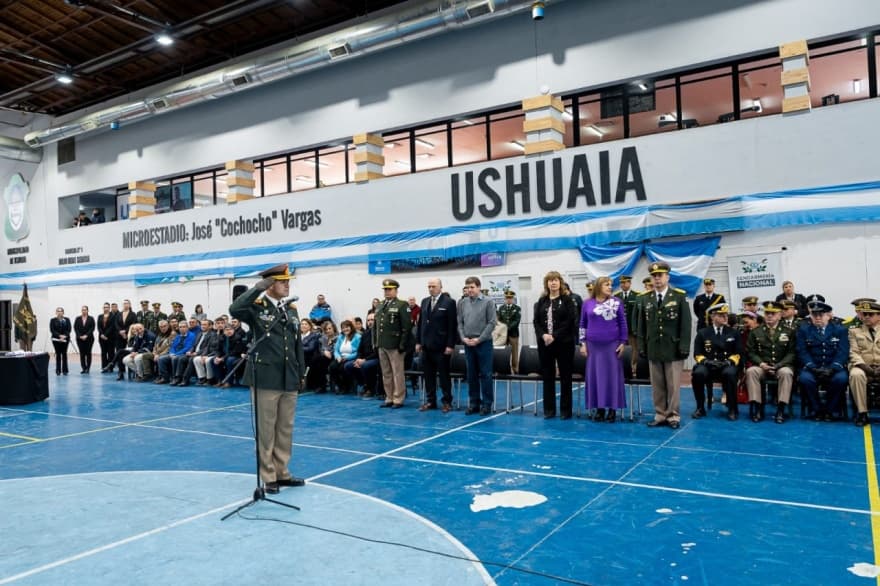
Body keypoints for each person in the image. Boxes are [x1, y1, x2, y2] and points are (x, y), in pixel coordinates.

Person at [230, 263, 306, 494]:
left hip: (288, 376)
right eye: (282, 281)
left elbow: (296, 345)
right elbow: (235, 309)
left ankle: (282, 472)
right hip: (265, 377)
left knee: (285, 428)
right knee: (266, 429)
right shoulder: (255, 307)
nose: (287, 284)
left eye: (287, 281)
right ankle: (268, 475)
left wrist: (301, 373)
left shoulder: (290, 309)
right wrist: (257, 288)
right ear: (270, 284)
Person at [636, 261, 692, 429]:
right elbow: (641, 326)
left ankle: (673, 415)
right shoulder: (645, 298)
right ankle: (660, 414)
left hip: (673, 348)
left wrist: (684, 346)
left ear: (667, 277)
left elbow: (685, 324)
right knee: (657, 385)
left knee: (673, 385)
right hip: (653, 347)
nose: (657, 279)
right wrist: (641, 346)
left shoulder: (678, 296)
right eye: (654, 276)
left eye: (660, 275)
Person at [580, 276, 628, 423]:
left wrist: (623, 341)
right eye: (607, 285)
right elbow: (583, 323)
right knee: (596, 378)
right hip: (593, 347)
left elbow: (622, 323)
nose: (610, 287)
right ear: (598, 286)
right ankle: (599, 409)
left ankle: (612, 410)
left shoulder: (617, 302)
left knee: (612, 378)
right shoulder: (587, 303)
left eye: (611, 285)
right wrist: (582, 343)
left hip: (612, 346)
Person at [533, 271, 578, 419]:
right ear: (546, 284)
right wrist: (544, 335)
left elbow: (570, 322)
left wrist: (554, 336)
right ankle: (549, 410)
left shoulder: (567, 300)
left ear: (561, 283)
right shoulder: (541, 301)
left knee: (565, 377)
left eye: (556, 280)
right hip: (545, 344)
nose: (553, 283)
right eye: (550, 280)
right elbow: (536, 322)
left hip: (564, 343)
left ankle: (565, 411)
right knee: (548, 376)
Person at [797, 300, 849, 421]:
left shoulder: (840, 330)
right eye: (814, 315)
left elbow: (843, 352)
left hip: (833, 367)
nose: (818, 317)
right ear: (811, 316)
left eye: (821, 314)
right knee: (806, 379)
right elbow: (802, 351)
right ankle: (817, 409)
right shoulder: (804, 330)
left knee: (841, 379)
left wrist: (833, 368)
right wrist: (812, 367)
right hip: (813, 367)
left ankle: (830, 410)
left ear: (828, 315)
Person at [744, 301, 796, 424]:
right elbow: (750, 352)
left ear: (780, 315)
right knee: (751, 371)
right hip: (762, 366)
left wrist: (779, 365)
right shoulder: (756, 332)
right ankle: (757, 407)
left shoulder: (789, 331)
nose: (770, 316)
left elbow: (792, 353)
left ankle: (781, 408)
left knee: (786, 373)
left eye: (773, 313)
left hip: (781, 365)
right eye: (767, 313)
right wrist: (761, 364)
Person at [690, 304, 741, 420]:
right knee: (698, 373)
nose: (725, 317)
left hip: (726, 364)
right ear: (713, 317)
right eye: (721, 315)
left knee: (730, 374)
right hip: (709, 365)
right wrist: (707, 362)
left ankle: (732, 408)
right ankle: (700, 408)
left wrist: (728, 362)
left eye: (726, 315)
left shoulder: (733, 332)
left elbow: (738, 353)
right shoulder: (703, 333)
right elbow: (697, 354)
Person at [415, 277, 458, 412]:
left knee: (444, 376)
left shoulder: (449, 302)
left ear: (440, 287)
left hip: (442, 347)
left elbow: (452, 325)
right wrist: (418, 341)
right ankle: (430, 401)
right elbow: (420, 323)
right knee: (428, 376)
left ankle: (447, 402)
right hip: (426, 346)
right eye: (429, 286)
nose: (431, 289)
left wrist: (450, 345)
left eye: (433, 286)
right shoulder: (425, 301)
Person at [374, 278, 413, 409]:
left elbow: (406, 327)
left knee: (397, 373)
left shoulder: (402, 305)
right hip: (383, 344)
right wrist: (376, 342)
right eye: (385, 290)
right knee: (386, 373)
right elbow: (376, 326)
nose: (387, 292)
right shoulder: (380, 305)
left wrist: (402, 345)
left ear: (396, 290)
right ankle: (389, 397)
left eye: (390, 289)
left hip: (395, 345)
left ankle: (398, 398)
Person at [848, 301, 880, 427]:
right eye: (865, 314)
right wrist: (865, 367)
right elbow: (853, 352)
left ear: (879, 315)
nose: (866, 317)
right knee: (856, 375)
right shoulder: (854, 331)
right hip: (863, 366)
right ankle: (862, 412)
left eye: (870, 314)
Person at [349, 312, 382, 398]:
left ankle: (370, 389)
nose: (370, 322)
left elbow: (377, 352)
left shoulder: (380, 334)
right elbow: (360, 349)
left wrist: (364, 360)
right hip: (365, 358)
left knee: (366, 365)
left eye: (372, 320)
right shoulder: (365, 334)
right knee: (348, 365)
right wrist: (358, 359)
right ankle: (363, 383)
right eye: (368, 320)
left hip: (377, 358)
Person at [613, 276, 639, 374]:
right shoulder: (616, 296)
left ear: (629, 283)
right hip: (619, 330)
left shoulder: (636, 296)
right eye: (621, 283)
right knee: (620, 348)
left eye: (625, 283)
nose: (623, 285)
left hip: (632, 329)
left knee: (634, 349)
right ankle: (621, 367)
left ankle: (633, 367)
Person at [329, 320, 361, 394]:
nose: (345, 329)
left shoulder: (357, 337)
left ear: (351, 327)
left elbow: (358, 352)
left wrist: (347, 358)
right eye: (343, 328)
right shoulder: (341, 337)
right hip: (340, 357)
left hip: (351, 357)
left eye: (347, 327)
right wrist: (338, 357)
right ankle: (340, 386)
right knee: (332, 367)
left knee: (342, 368)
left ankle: (346, 387)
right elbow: (336, 350)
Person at [496, 290, 521, 374]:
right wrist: (503, 329)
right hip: (502, 335)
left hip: (513, 334)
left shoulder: (517, 308)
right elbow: (499, 320)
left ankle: (515, 369)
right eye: (507, 298)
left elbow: (516, 321)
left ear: (513, 299)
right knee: (502, 352)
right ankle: (502, 368)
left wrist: (506, 328)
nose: (508, 300)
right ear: (504, 298)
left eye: (510, 298)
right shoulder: (501, 308)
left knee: (514, 352)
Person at [49, 307, 72, 375]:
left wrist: (64, 336)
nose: (59, 312)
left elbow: (69, 329)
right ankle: (58, 370)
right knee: (58, 354)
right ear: (56, 312)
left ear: (63, 312)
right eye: (58, 311)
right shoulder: (52, 320)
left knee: (64, 354)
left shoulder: (67, 320)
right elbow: (52, 330)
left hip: (65, 339)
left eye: (61, 311)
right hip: (56, 339)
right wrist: (59, 336)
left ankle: (65, 370)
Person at [73, 305, 95, 374]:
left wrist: (86, 335)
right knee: (82, 354)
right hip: (79, 339)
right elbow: (75, 328)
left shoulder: (91, 318)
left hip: (89, 339)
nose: (84, 311)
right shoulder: (78, 318)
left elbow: (92, 328)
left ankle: (88, 368)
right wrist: (80, 336)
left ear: (88, 311)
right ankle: (83, 368)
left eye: (85, 310)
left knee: (88, 353)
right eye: (82, 310)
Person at [97, 302, 115, 370]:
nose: (106, 308)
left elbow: (112, 326)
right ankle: (104, 366)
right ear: (103, 308)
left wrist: (105, 334)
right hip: (101, 338)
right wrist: (102, 334)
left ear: (109, 308)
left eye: (107, 307)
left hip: (110, 337)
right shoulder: (100, 316)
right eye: (104, 307)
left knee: (110, 353)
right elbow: (98, 327)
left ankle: (110, 367)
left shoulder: (112, 316)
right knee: (103, 353)